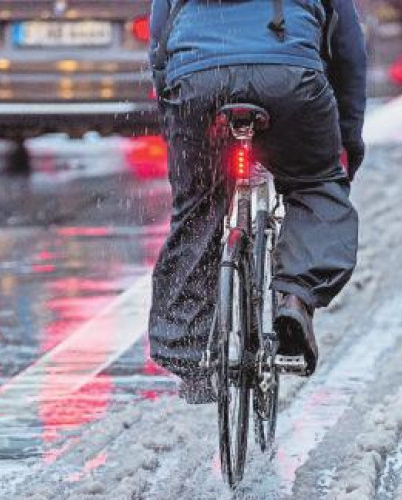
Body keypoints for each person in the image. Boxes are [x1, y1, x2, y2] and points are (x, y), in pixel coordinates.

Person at [148, 0, 369, 404]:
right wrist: (347, 143)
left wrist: (178, 125)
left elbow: (159, 46)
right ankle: (295, 300)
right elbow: (349, 54)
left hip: (196, 80)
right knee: (312, 186)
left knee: (197, 208)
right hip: (288, 77)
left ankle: (189, 354)